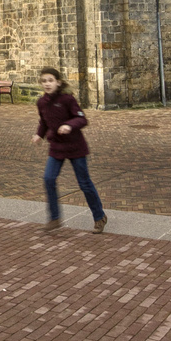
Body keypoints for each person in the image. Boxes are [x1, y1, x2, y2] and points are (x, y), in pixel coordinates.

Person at [30, 67, 107, 234]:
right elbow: (44, 121)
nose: (47, 84)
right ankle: (55, 218)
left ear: (58, 82)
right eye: (44, 81)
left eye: (50, 80)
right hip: (56, 147)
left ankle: (99, 216)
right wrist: (39, 135)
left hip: (75, 147)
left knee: (84, 183)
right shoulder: (41, 102)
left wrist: (69, 125)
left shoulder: (67, 99)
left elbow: (81, 119)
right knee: (48, 179)